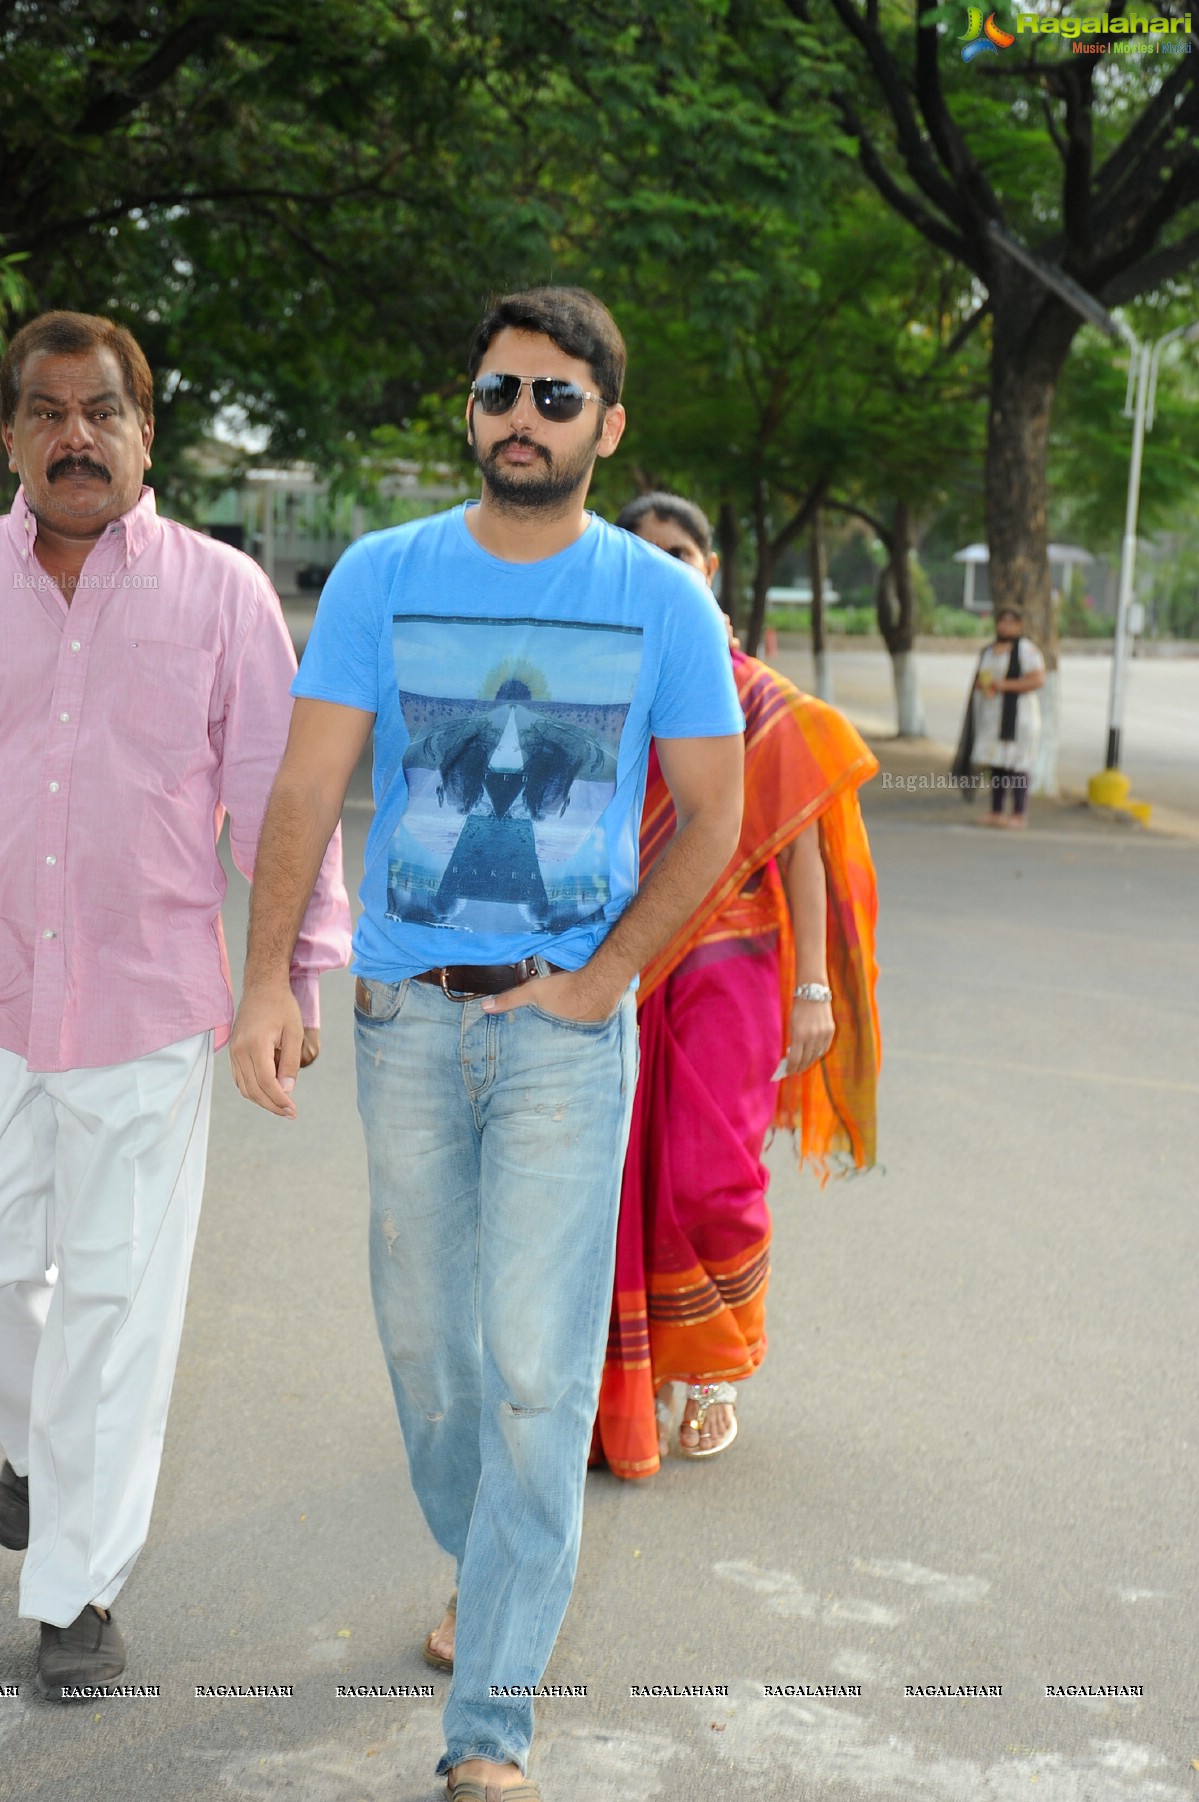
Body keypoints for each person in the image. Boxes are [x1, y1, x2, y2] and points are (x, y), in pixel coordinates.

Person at [228, 288, 744, 1801]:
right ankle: (489, 1557)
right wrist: (270, 977)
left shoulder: (660, 604)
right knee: (431, 1359)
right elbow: (307, 787)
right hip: (401, 1014)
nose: (521, 416)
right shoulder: (384, 576)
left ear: (607, 426)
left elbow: (710, 813)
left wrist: (603, 982)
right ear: (471, 409)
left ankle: (492, 1721)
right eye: (499, 390)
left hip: (563, 1040)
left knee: (534, 1369)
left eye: (555, 397)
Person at [0, 311, 350, 1699]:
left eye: (101, 412)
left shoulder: (221, 594)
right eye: (44, 411)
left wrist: (287, 972)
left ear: (148, 433)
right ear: (13, 433)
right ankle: (30, 1455)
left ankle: (77, 1589)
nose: (73, 437)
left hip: (145, 1004)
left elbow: (280, 795)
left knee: (113, 1297)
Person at [593, 492, 881, 1478]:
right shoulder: (595, 679)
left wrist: (813, 989)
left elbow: (796, 845)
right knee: (618, 1178)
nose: (665, 563)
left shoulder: (752, 693)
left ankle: (711, 1374)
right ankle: (634, 1374)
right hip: (619, 963)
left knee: (709, 1174)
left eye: (682, 549)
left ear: (708, 568)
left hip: (728, 964)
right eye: (644, 551)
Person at [951, 603, 1046, 828]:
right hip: (993, 716)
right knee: (998, 764)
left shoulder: (1025, 650)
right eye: (1002, 621)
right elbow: (980, 679)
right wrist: (984, 686)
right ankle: (996, 811)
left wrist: (1003, 685)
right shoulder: (989, 650)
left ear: (1020, 625)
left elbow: (1038, 679)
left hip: (1019, 719)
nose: (1005, 626)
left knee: (1018, 764)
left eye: (1011, 622)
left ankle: (1019, 813)